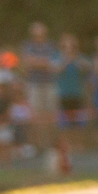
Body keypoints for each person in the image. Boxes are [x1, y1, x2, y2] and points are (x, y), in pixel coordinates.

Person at [19, 22, 61, 153]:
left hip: (49, 84)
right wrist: (45, 63)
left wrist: (38, 62)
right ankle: (38, 146)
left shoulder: (51, 46)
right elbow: (28, 62)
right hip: (34, 85)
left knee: (50, 115)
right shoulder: (27, 46)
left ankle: (51, 145)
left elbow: (56, 65)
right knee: (35, 116)